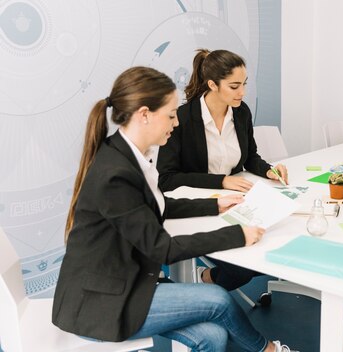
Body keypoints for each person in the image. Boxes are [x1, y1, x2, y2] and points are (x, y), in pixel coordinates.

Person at [52, 66, 294, 352]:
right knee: (217, 299)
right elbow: (163, 250)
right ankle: (270, 351)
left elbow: (156, 205)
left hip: (124, 282)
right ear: (144, 114)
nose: (176, 123)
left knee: (212, 337)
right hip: (99, 304)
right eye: (169, 115)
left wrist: (214, 204)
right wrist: (237, 235)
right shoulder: (116, 174)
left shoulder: (128, 155)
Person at [157, 48, 286, 289]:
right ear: (213, 85)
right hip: (199, 208)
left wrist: (269, 170)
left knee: (270, 245)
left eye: (244, 84)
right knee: (244, 265)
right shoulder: (183, 118)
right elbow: (166, 178)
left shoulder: (241, 112)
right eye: (234, 86)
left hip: (235, 203)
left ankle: (209, 280)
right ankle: (208, 282)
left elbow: (250, 157)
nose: (243, 92)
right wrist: (221, 181)